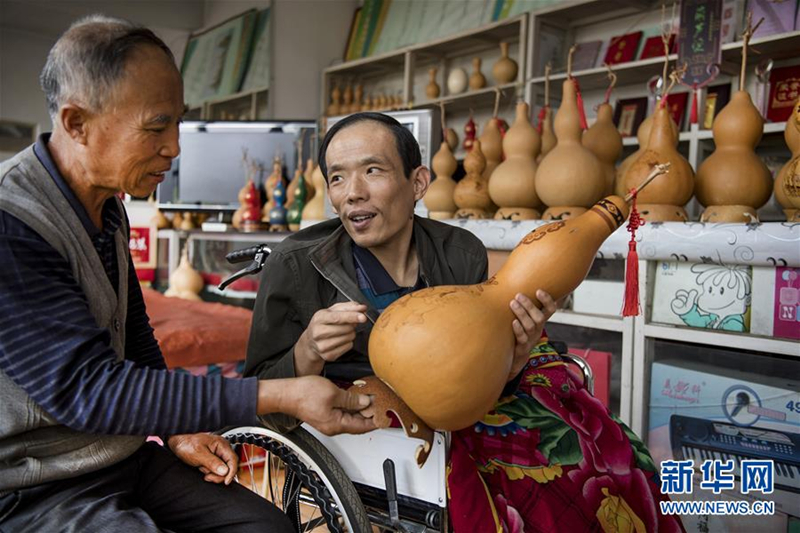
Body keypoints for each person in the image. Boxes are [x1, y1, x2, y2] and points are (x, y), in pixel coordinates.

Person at [0, 16, 373, 532]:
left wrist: (177, 429)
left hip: (122, 456)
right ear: (77, 123)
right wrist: (280, 393)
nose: (174, 147)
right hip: (35, 485)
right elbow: (89, 389)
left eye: (178, 122)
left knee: (267, 527)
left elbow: (134, 337)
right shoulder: (12, 221)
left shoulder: (107, 205)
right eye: (156, 127)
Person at [247, 112, 685, 532]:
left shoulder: (460, 252)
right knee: (521, 491)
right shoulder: (296, 264)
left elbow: (481, 373)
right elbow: (257, 393)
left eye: (373, 171)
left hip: (467, 411)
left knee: (603, 459)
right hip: (374, 433)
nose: (352, 193)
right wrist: (307, 350)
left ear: (417, 182)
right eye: (337, 178)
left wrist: (512, 359)